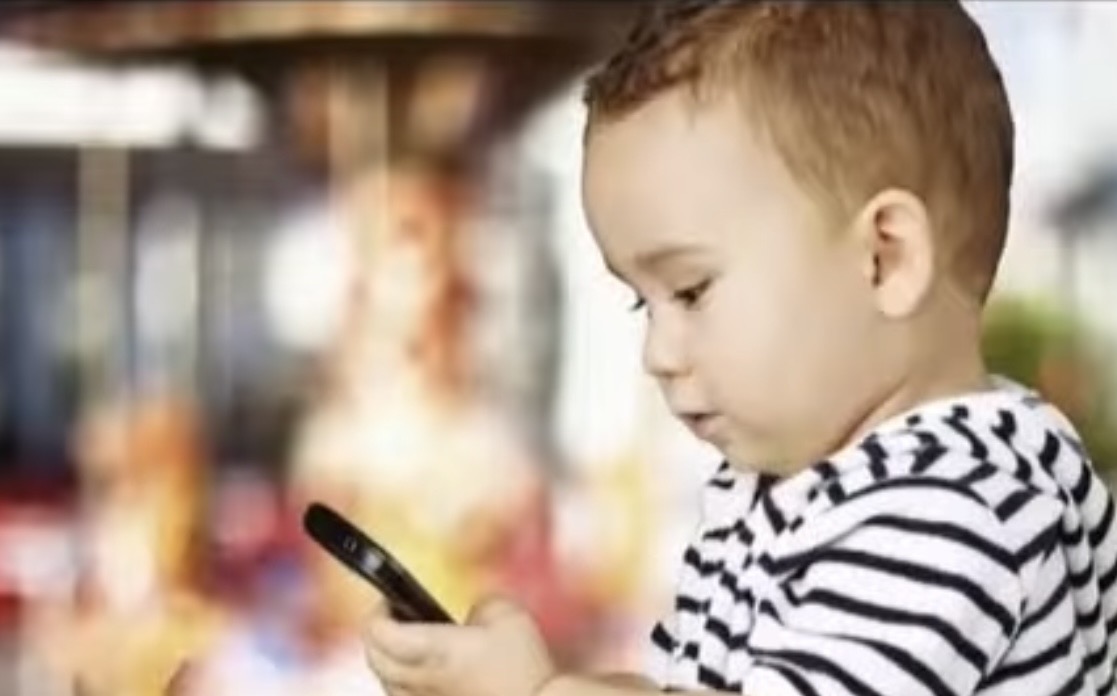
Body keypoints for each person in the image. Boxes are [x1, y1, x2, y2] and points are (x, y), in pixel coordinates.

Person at [362, 2, 1117, 695]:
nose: (657, 353)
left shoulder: (948, 513)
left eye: (690, 291)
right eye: (642, 302)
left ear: (883, 259)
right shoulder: (833, 484)